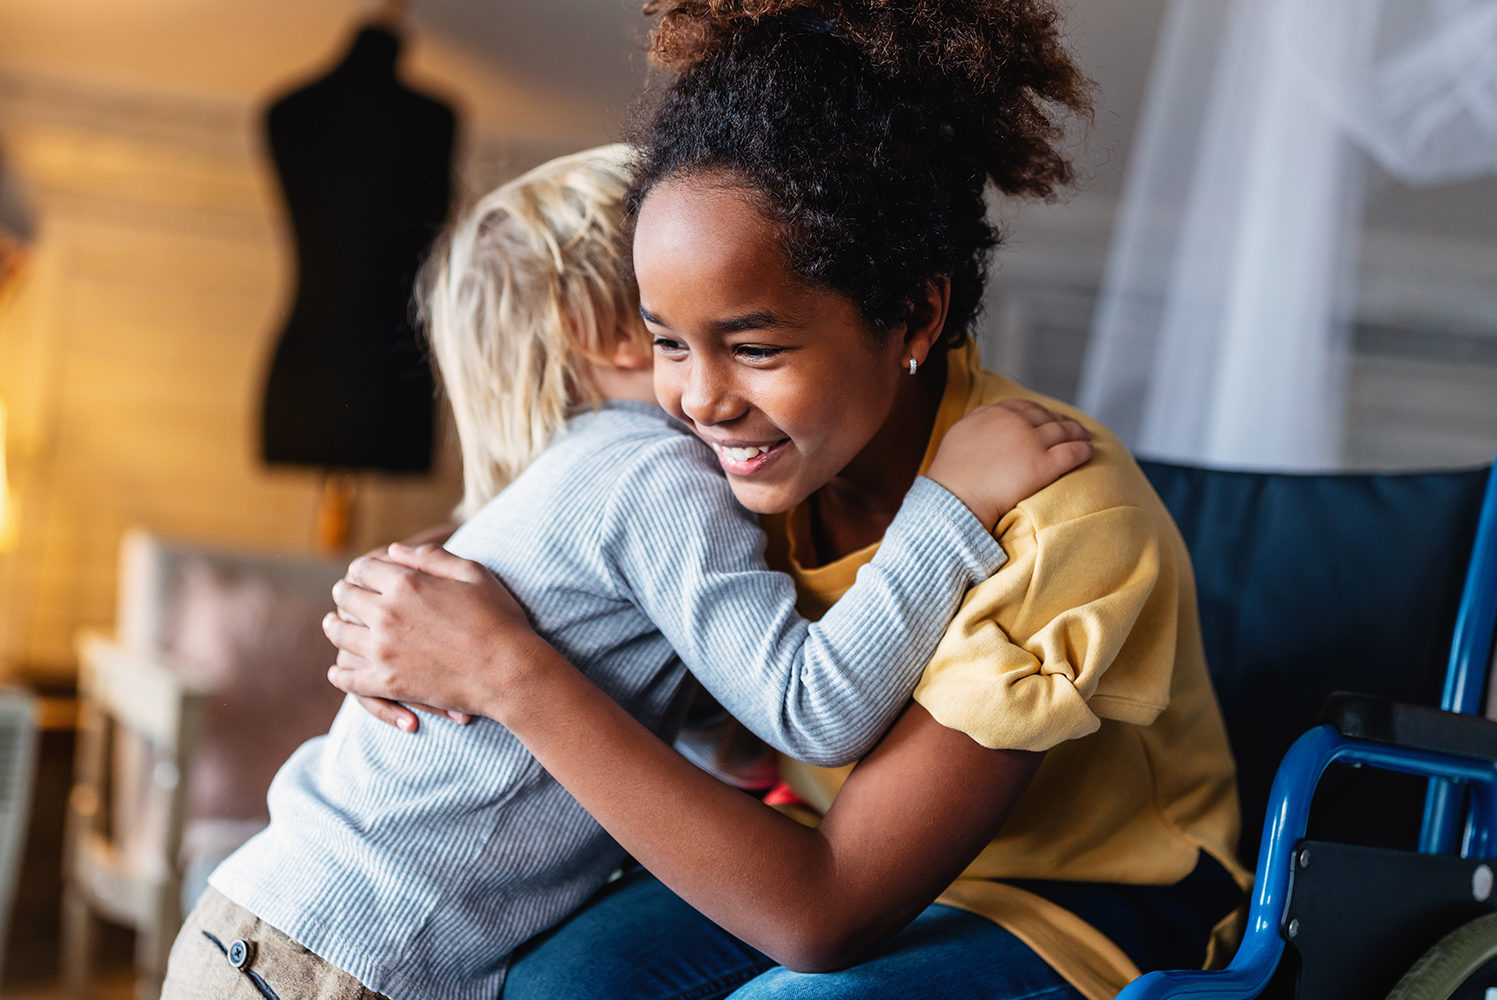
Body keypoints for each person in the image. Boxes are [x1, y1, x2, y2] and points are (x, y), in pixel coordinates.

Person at [324, 4, 1249, 999]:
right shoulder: (744, 464)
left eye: (755, 347)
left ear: (914, 311)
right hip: (827, 836)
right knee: (555, 985)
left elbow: (824, 912)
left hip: (1076, 902)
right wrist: (411, 598)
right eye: (668, 343)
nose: (702, 400)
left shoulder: (1066, 518)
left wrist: (505, 670)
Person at [162, 145, 1092, 1000]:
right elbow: (816, 710)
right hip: (337, 959)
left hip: (270, 925)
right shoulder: (653, 475)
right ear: (617, 328)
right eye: (673, 321)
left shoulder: (582, 475)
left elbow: (706, 739)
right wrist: (951, 504)